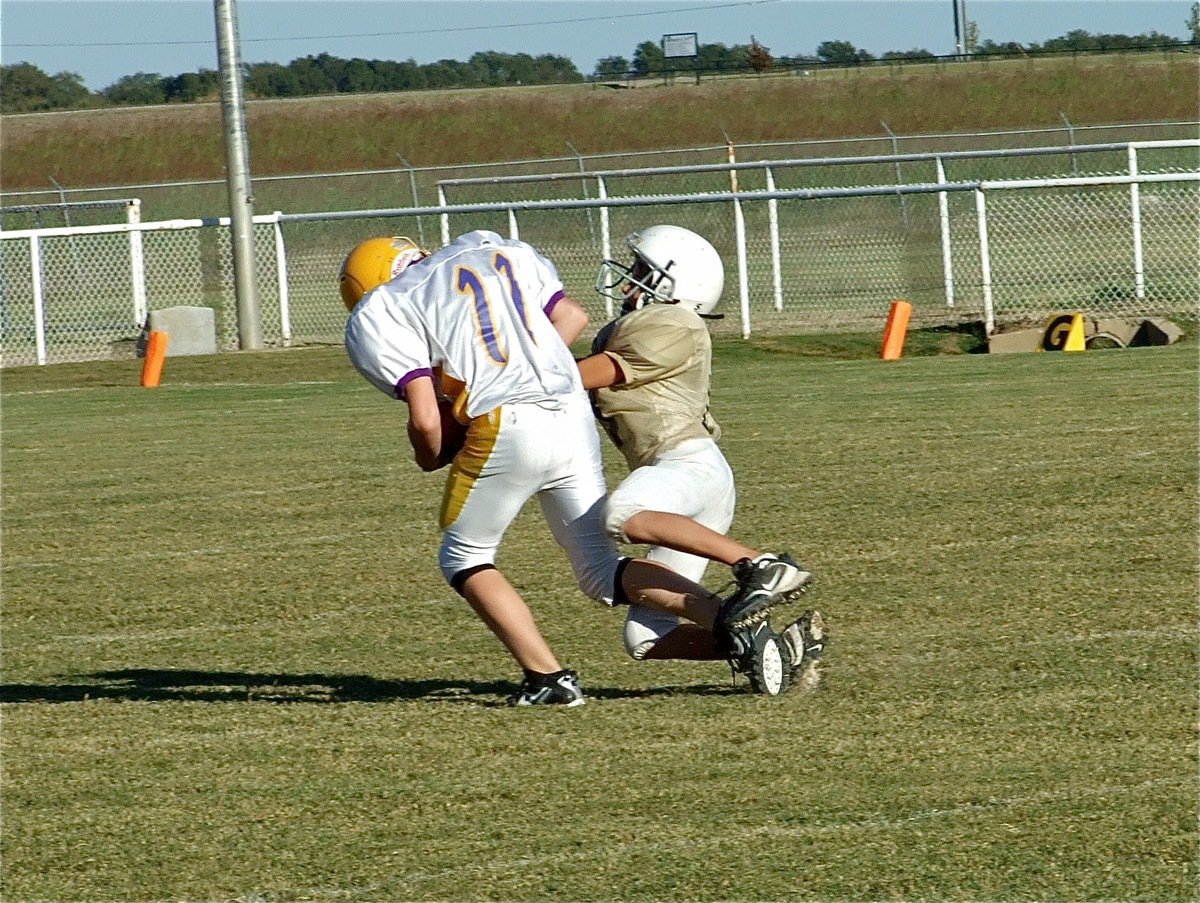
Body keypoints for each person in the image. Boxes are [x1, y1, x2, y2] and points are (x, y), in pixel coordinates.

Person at [339, 230, 808, 705]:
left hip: (507, 420)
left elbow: (424, 417)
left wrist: (431, 452)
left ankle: (548, 678)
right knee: (599, 571)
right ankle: (728, 620)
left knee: (464, 556)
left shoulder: (379, 309)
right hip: (568, 413)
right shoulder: (487, 247)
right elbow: (571, 317)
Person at [577, 224, 827, 693]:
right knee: (645, 638)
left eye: (640, 271)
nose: (629, 283)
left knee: (623, 515)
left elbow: (592, 375)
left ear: (676, 284)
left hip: (687, 465)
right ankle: (762, 646)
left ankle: (760, 565)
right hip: (681, 475)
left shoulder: (675, 322)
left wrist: (523, 377)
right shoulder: (650, 324)